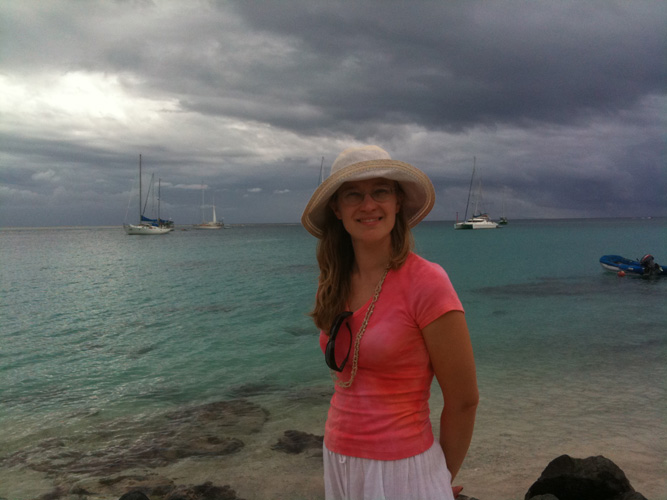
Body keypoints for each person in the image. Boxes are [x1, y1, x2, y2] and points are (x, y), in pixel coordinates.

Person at [301, 145, 479, 500]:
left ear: (398, 202)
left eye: (380, 191)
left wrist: (438, 478)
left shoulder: (428, 282)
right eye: (353, 194)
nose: (368, 205)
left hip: (404, 470)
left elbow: (464, 400)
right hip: (338, 459)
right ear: (337, 208)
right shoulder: (333, 281)